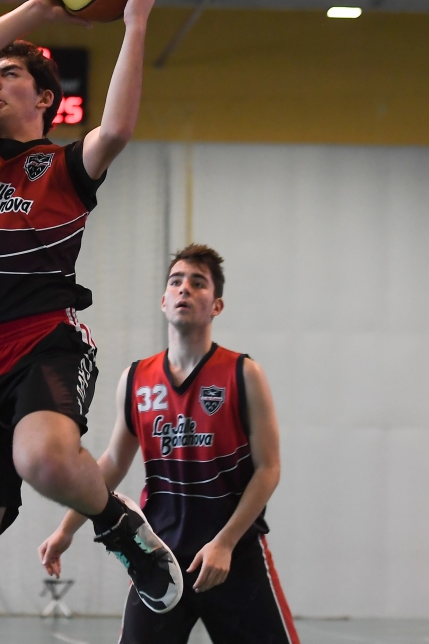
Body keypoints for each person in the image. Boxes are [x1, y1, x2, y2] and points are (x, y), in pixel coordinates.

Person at [0, 0, 178, 643]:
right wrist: (39, 4)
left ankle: (118, 524)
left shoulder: (64, 169)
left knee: (40, 457)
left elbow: (117, 128)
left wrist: (135, 23)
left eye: (7, 75)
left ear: (44, 98)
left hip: (41, 342)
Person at [39, 245, 300, 644]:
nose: (184, 289)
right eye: (176, 282)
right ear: (163, 301)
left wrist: (225, 542)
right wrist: (66, 529)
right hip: (160, 556)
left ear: (216, 305)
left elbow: (269, 469)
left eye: (198, 283)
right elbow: (111, 464)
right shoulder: (136, 379)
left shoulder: (244, 374)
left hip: (234, 555)